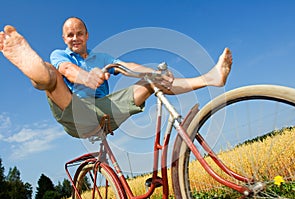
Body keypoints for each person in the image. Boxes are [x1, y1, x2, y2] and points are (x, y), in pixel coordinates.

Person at [0, 17, 232, 138]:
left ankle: (211, 78)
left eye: (79, 33)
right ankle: (34, 70)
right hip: (73, 109)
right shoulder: (60, 54)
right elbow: (68, 71)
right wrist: (85, 77)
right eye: (70, 35)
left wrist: (151, 72)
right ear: (64, 39)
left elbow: (124, 66)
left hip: (103, 113)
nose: (75, 38)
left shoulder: (102, 58)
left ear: (87, 35)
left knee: (154, 82)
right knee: (50, 73)